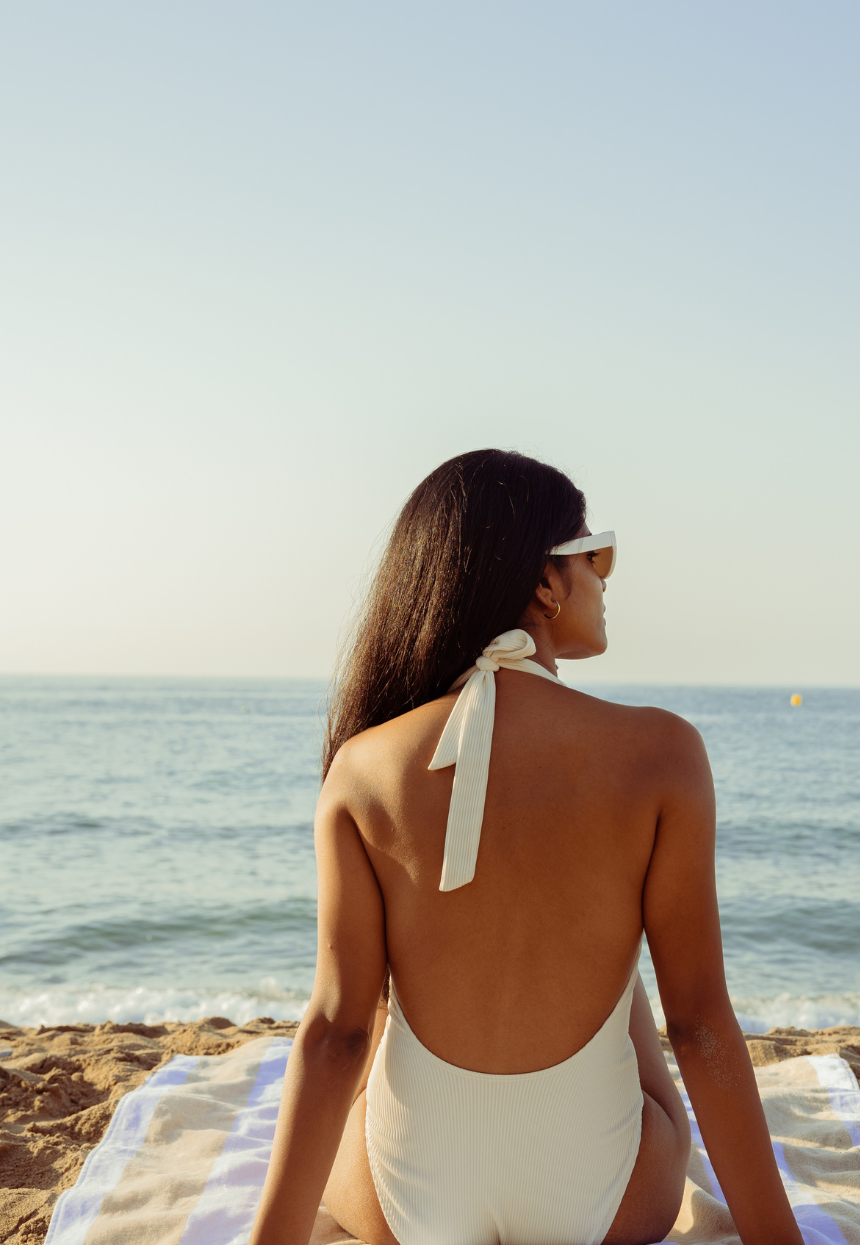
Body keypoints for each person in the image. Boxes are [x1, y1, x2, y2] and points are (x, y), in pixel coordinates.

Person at [250, 449, 802, 1245]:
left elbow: (335, 1032)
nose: (607, 576)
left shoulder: (363, 766)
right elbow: (699, 1024)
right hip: (604, 1199)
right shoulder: (662, 752)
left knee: (377, 1018)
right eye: (594, 553)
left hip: (410, 1205)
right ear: (546, 582)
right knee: (630, 983)